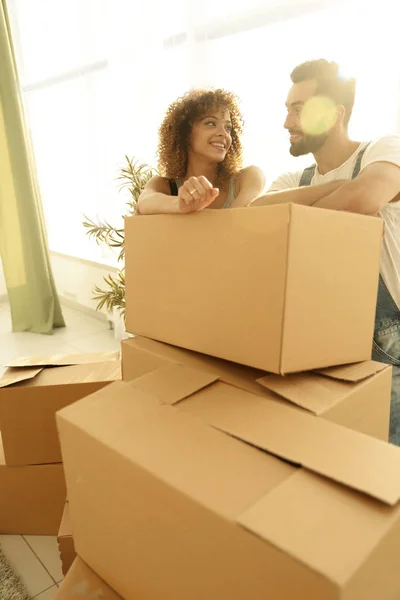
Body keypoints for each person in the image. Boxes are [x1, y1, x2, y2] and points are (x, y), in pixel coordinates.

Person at [251, 59, 400, 445]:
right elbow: (257, 217)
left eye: (298, 110)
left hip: (390, 352)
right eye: (287, 109)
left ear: (335, 114)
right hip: (320, 349)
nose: (286, 122)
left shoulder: (383, 149)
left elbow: (363, 199)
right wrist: (336, 190)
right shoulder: (292, 179)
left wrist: (303, 209)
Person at [137, 89, 265, 215]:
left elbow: (233, 224)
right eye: (210, 123)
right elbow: (143, 202)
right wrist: (181, 204)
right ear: (185, 133)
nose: (223, 133)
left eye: (228, 128)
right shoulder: (164, 185)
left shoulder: (247, 178)